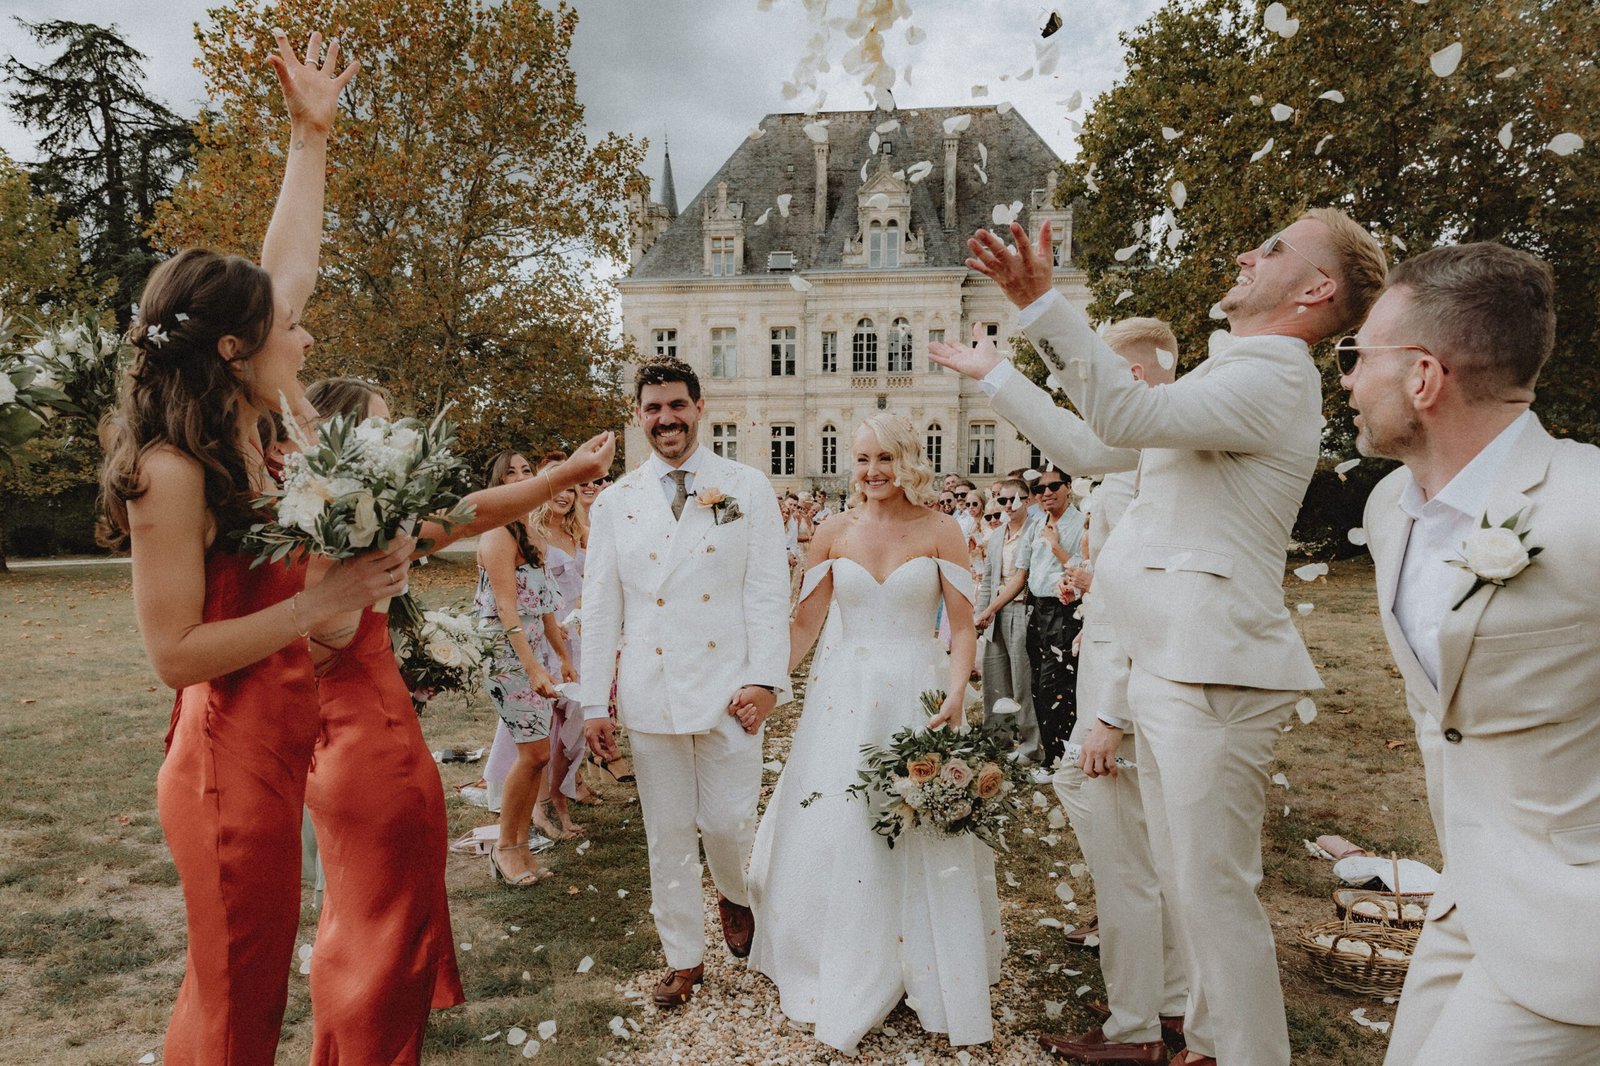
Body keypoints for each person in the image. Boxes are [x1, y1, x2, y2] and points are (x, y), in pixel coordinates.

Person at [932, 211, 1387, 1066]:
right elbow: (1094, 443)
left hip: (1212, 669)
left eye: (1277, 248)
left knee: (1215, 899)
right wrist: (998, 378)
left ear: (1316, 291)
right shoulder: (1240, 372)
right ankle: (1200, 1047)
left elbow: (1124, 407)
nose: (1249, 250)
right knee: (1188, 887)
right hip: (1173, 667)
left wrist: (1040, 303)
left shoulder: (1278, 376)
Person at [94, 33, 408, 1065]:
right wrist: (328, 601)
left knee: (244, 992)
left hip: (280, 742)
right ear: (233, 347)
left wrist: (309, 136)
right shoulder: (172, 468)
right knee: (235, 1006)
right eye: (282, 323)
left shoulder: (255, 413)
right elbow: (173, 655)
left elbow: (292, 262)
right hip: (224, 766)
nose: (302, 326)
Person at [297, 379, 612, 1061]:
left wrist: (568, 473)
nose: (400, 444)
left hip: (386, 727)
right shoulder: (323, 529)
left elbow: (469, 514)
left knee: (377, 911)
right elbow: (471, 521)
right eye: (384, 430)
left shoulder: (369, 518)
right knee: (372, 922)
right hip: (360, 744)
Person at [1342, 243, 1600, 1065]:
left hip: (1574, 932)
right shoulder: (1391, 507)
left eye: (1357, 356)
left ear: (1423, 376)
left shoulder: (1587, 507)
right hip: (1465, 906)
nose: (1346, 379)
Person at [748, 413, 1000, 1054]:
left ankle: (927, 962)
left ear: (909, 459)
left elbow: (965, 627)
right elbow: (804, 627)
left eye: (885, 458)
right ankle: (837, 958)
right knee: (840, 819)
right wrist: (766, 684)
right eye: (862, 459)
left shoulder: (943, 530)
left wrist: (956, 690)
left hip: (920, 691)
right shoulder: (831, 532)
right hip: (846, 696)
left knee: (922, 820)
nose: (873, 471)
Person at [982, 318, 1190, 1063]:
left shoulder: (1163, 462)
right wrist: (1093, 589)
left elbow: (1168, 600)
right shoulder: (1144, 455)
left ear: (1131, 377)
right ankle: (1170, 1002)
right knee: (1151, 859)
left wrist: (1109, 714)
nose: (1089, 388)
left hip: (1123, 701)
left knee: (1128, 867)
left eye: (1098, 370)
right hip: (1110, 666)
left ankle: (1134, 1026)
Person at [580, 357, 791, 1008]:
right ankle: (683, 958)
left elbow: (765, 592)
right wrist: (594, 703)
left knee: (727, 822)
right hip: (652, 691)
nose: (666, 419)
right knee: (667, 832)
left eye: (677, 405)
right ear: (638, 415)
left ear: (700, 407)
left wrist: (765, 680)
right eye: (653, 408)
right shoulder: (616, 502)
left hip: (731, 688)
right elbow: (600, 608)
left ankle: (734, 892)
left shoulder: (746, 487)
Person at [474, 450, 578, 885]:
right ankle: (507, 849)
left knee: (536, 756)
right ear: (497, 486)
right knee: (533, 753)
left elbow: (549, 608)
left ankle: (518, 846)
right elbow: (506, 608)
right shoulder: (495, 536)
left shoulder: (534, 536)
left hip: (537, 652)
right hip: (506, 655)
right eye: (509, 474)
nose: (519, 479)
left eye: (524, 472)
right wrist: (535, 668)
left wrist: (564, 658)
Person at [528, 452, 592, 838]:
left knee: (576, 725)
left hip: (584, 634)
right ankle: (546, 808)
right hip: (549, 638)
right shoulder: (532, 535)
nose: (564, 494)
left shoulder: (579, 531)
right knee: (546, 729)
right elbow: (530, 592)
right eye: (556, 485)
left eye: (570, 486)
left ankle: (562, 795)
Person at [975, 477, 1040, 760]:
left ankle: (1030, 746)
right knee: (994, 676)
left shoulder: (1036, 530)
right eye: (1003, 500)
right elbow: (989, 578)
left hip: (1021, 608)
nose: (1009, 505)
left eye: (1015, 499)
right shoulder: (997, 535)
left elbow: (1021, 578)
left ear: (1027, 500)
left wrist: (991, 609)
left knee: (1022, 680)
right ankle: (996, 739)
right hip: (995, 611)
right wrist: (981, 613)